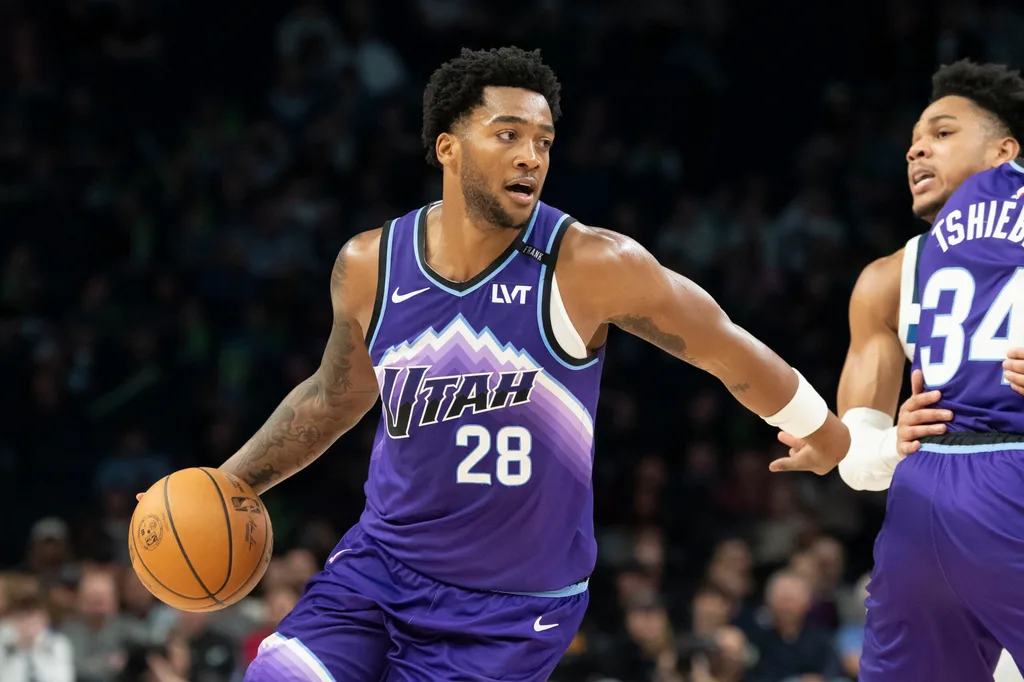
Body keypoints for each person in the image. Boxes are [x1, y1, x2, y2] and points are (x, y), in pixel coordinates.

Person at [133, 46, 851, 680]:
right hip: (379, 573)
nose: (531, 155)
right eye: (507, 134)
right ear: (448, 147)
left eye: (543, 139)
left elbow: (724, 344)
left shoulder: (589, 265)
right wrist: (225, 483)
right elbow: (334, 395)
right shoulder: (370, 265)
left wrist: (820, 427)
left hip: (510, 615)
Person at [771, 60, 1024, 682]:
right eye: (914, 138)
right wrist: (892, 442)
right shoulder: (887, 280)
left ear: (1004, 151)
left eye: (942, 132)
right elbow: (859, 465)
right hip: (935, 503)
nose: (916, 148)